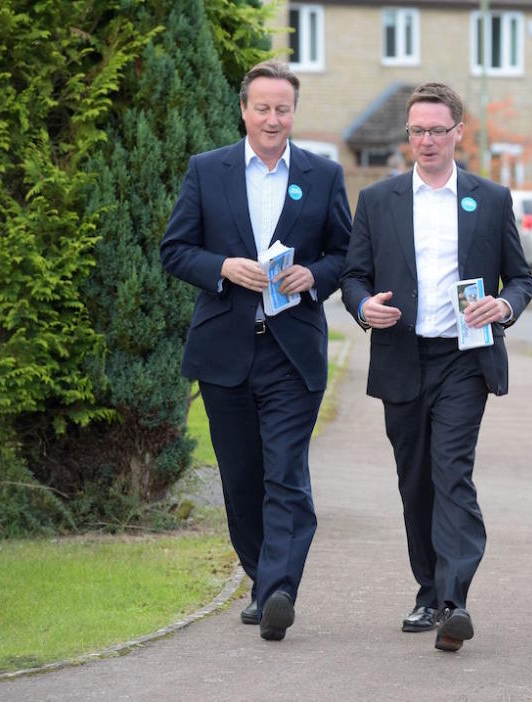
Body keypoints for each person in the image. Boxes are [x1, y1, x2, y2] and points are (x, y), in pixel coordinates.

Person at [160, 60, 351, 642]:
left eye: (283, 108)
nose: (273, 118)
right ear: (244, 110)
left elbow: (345, 255)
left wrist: (312, 277)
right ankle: (259, 577)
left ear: (295, 112)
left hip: (292, 353)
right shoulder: (207, 170)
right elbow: (174, 250)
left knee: (286, 474)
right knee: (241, 478)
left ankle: (278, 591)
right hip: (225, 352)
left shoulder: (322, 174)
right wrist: (222, 266)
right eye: (262, 108)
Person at [340, 82, 532, 653]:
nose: (426, 140)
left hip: (464, 358)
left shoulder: (490, 198)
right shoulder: (378, 201)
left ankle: (454, 602)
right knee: (416, 480)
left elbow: (521, 278)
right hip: (402, 354)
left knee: (452, 471)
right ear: (409, 135)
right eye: (417, 130)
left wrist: (505, 306)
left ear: (458, 133)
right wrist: (362, 306)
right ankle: (427, 590)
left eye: (436, 130)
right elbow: (354, 276)